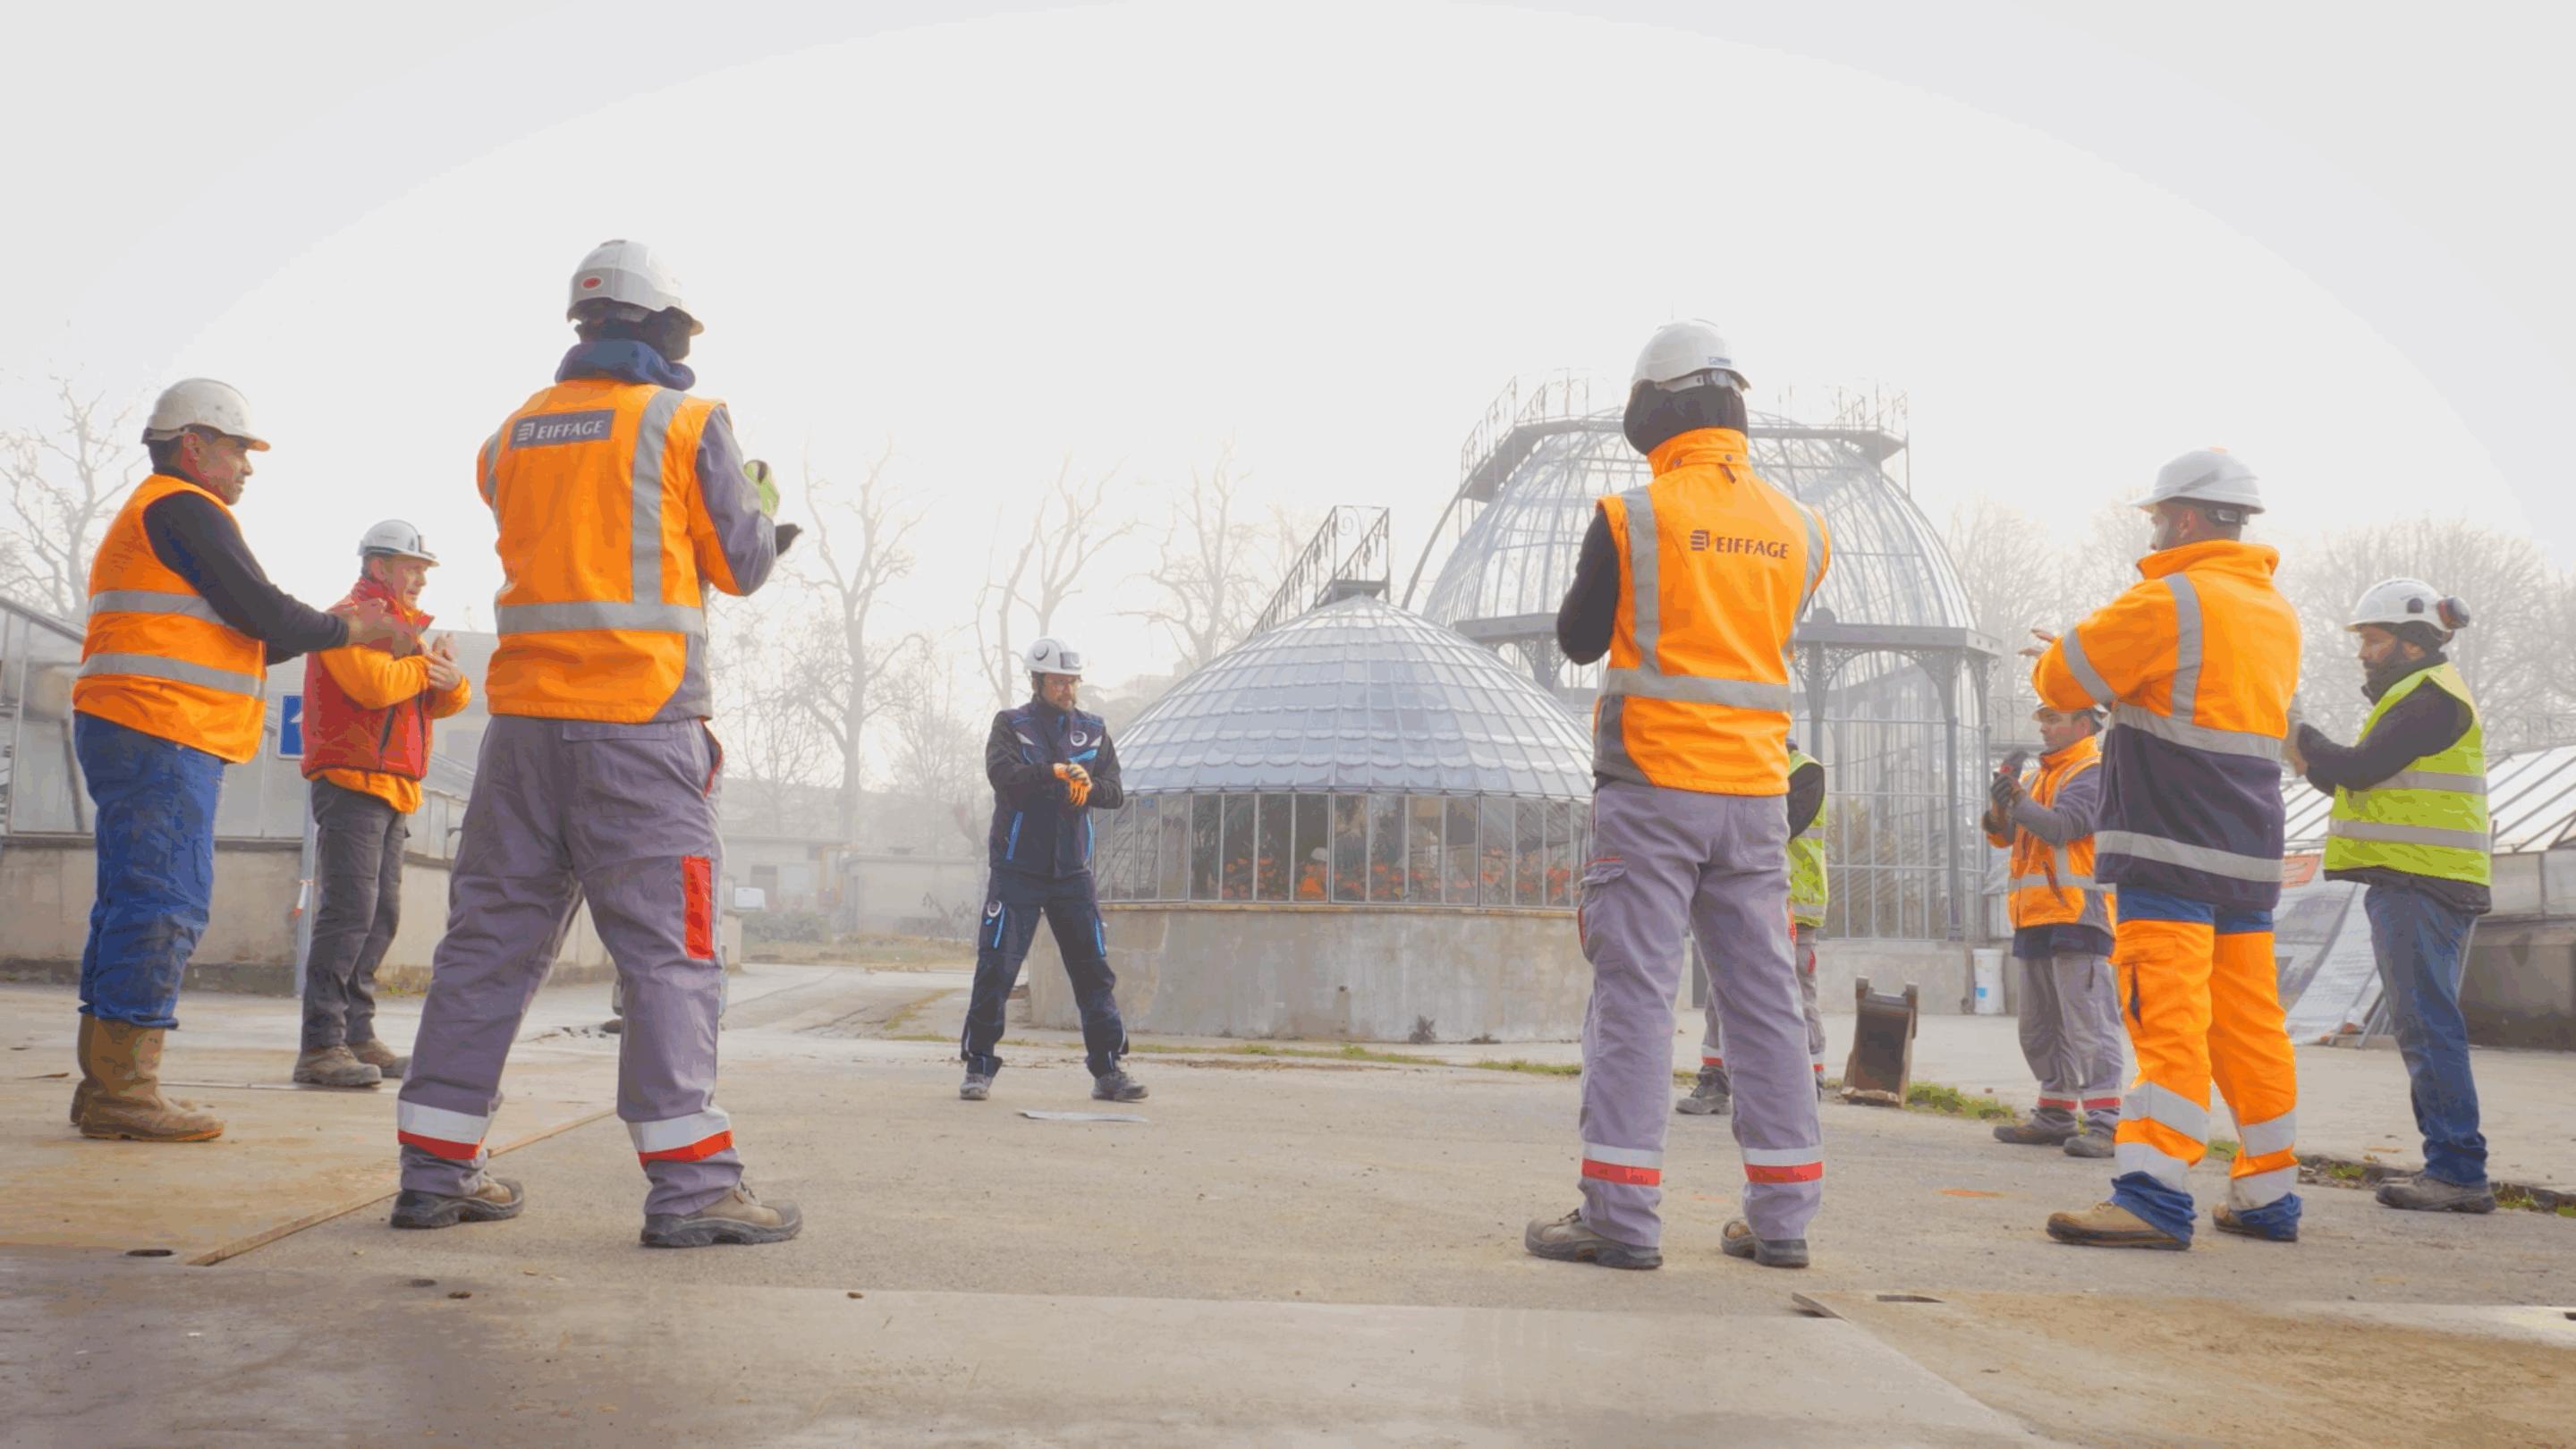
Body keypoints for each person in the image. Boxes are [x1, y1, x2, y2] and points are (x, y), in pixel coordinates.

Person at [391, 240, 801, 1248]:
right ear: (664, 329)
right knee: (669, 958)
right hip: (638, 727)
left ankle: (434, 1169)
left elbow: (566, 538)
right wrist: (760, 512)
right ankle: (696, 1190)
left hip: (522, 734)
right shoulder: (688, 419)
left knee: (486, 949)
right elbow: (737, 566)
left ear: (585, 329)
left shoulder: (510, 436)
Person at [1524, 320, 1830, 1271]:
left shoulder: (1633, 517)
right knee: (1766, 1004)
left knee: (1637, 999)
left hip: (1653, 790)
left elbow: (1578, 641)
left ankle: (1620, 1218)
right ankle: (1782, 1223)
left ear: (1653, 411)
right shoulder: (1803, 528)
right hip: (1755, 798)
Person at [68, 379, 401, 1142]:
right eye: (240, 451)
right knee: (164, 903)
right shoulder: (184, 507)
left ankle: (110, 1085)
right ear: (196, 445)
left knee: (133, 901)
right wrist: (353, 631)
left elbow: (253, 636)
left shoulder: (164, 515)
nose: (248, 468)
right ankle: (125, 1091)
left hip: (146, 725)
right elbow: (264, 610)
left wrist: (335, 625)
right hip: (161, 728)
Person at [2030, 448, 2303, 1250]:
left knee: (2167, 1022)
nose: (2152, 527)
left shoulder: (2167, 600)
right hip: (2247, 856)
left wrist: (2087, 666)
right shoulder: (2276, 612)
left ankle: (2152, 1193)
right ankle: (2268, 1194)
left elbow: (2059, 680)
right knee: (2250, 1028)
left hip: (2166, 850)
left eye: (2157, 515)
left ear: (2183, 517)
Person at [2289, 580, 2495, 1214]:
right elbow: (2356, 782)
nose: (2363, 654)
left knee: (2427, 1025)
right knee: (2426, 1023)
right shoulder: (2419, 698)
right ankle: (2454, 1164)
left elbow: (2356, 768)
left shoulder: (2429, 699)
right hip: (2418, 880)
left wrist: (2299, 730)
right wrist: (2306, 753)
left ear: (2412, 644)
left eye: (2374, 641)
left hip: (2419, 884)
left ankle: (2458, 1170)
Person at [291, 521, 471, 1089]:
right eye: (410, 566)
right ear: (377, 566)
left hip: (391, 786)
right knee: (348, 915)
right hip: (352, 783)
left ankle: (357, 1034)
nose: (419, 577)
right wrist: (424, 668)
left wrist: (452, 679)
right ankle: (321, 1046)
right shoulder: (350, 619)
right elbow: (374, 688)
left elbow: (429, 706)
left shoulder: (400, 633)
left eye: (422, 568)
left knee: (378, 916)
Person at [959, 637, 1146, 1103]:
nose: (1066, 689)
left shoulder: (1095, 730)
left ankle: (1108, 1071)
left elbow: (1114, 791)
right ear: (1038, 681)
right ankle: (978, 1067)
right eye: (1058, 681)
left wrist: (1088, 782)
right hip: (1016, 869)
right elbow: (1004, 779)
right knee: (996, 968)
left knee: (1093, 972)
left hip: (1072, 874)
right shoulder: (1011, 726)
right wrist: (1055, 773)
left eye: (1072, 681)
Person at [1982, 703, 2123, 1157]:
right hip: (2035, 914)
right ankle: (2056, 1113)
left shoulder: (2092, 771)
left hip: (2078, 914)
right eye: (2041, 719)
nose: (2043, 727)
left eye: (2053, 719)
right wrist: (2000, 802)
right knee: (2040, 1027)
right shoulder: (2044, 774)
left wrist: (2017, 800)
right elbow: (2003, 836)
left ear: (2084, 725)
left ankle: (2107, 1121)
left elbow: (2063, 828)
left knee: (2089, 1025)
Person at [1675, 739, 1828, 1114]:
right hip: (1739, 899)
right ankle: (1715, 1081)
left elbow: (1767, 826)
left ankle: (1810, 1081)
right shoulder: (1741, 770)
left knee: (1795, 995)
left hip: (1793, 907)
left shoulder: (1803, 771)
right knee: (1718, 991)